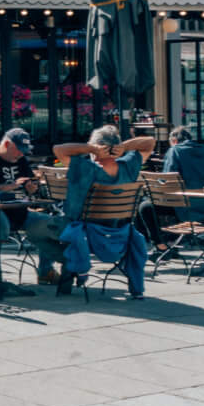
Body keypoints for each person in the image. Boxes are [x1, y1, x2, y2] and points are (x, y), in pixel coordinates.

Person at [58, 124, 156, 299]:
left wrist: (90, 148)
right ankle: (136, 288)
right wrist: (124, 147)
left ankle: (72, 274)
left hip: (86, 234)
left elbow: (58, 150)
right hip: (122, 232)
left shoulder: (85, 168)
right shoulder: (129, 166)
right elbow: (150, 142)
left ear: (97, 148)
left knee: (45, 227)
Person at [0, 127, 66, 289]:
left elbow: (30, 181)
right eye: (19, 150)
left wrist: (31, 187)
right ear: (7, 144)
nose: (21, 154)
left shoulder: (21, 160)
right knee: (0, 227)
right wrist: (8, 187)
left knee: (50, 224)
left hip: (19, 212)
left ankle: (46, 271)